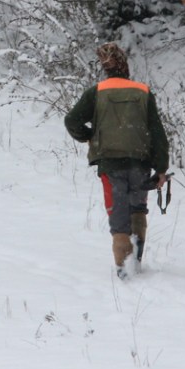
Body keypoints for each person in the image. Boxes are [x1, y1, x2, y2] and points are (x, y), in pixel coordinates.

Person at [65, 42, 170, 279]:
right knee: (137, 209)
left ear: (106, 68)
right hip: (140, 162)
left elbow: (71, 120)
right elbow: (157, 133)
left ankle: (123, 267)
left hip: (110, 163)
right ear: (126, 66)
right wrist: (161, 168)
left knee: (117, 209)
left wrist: (89, 136)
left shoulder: (97, 92)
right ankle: (136, 260)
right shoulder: (142, 92)